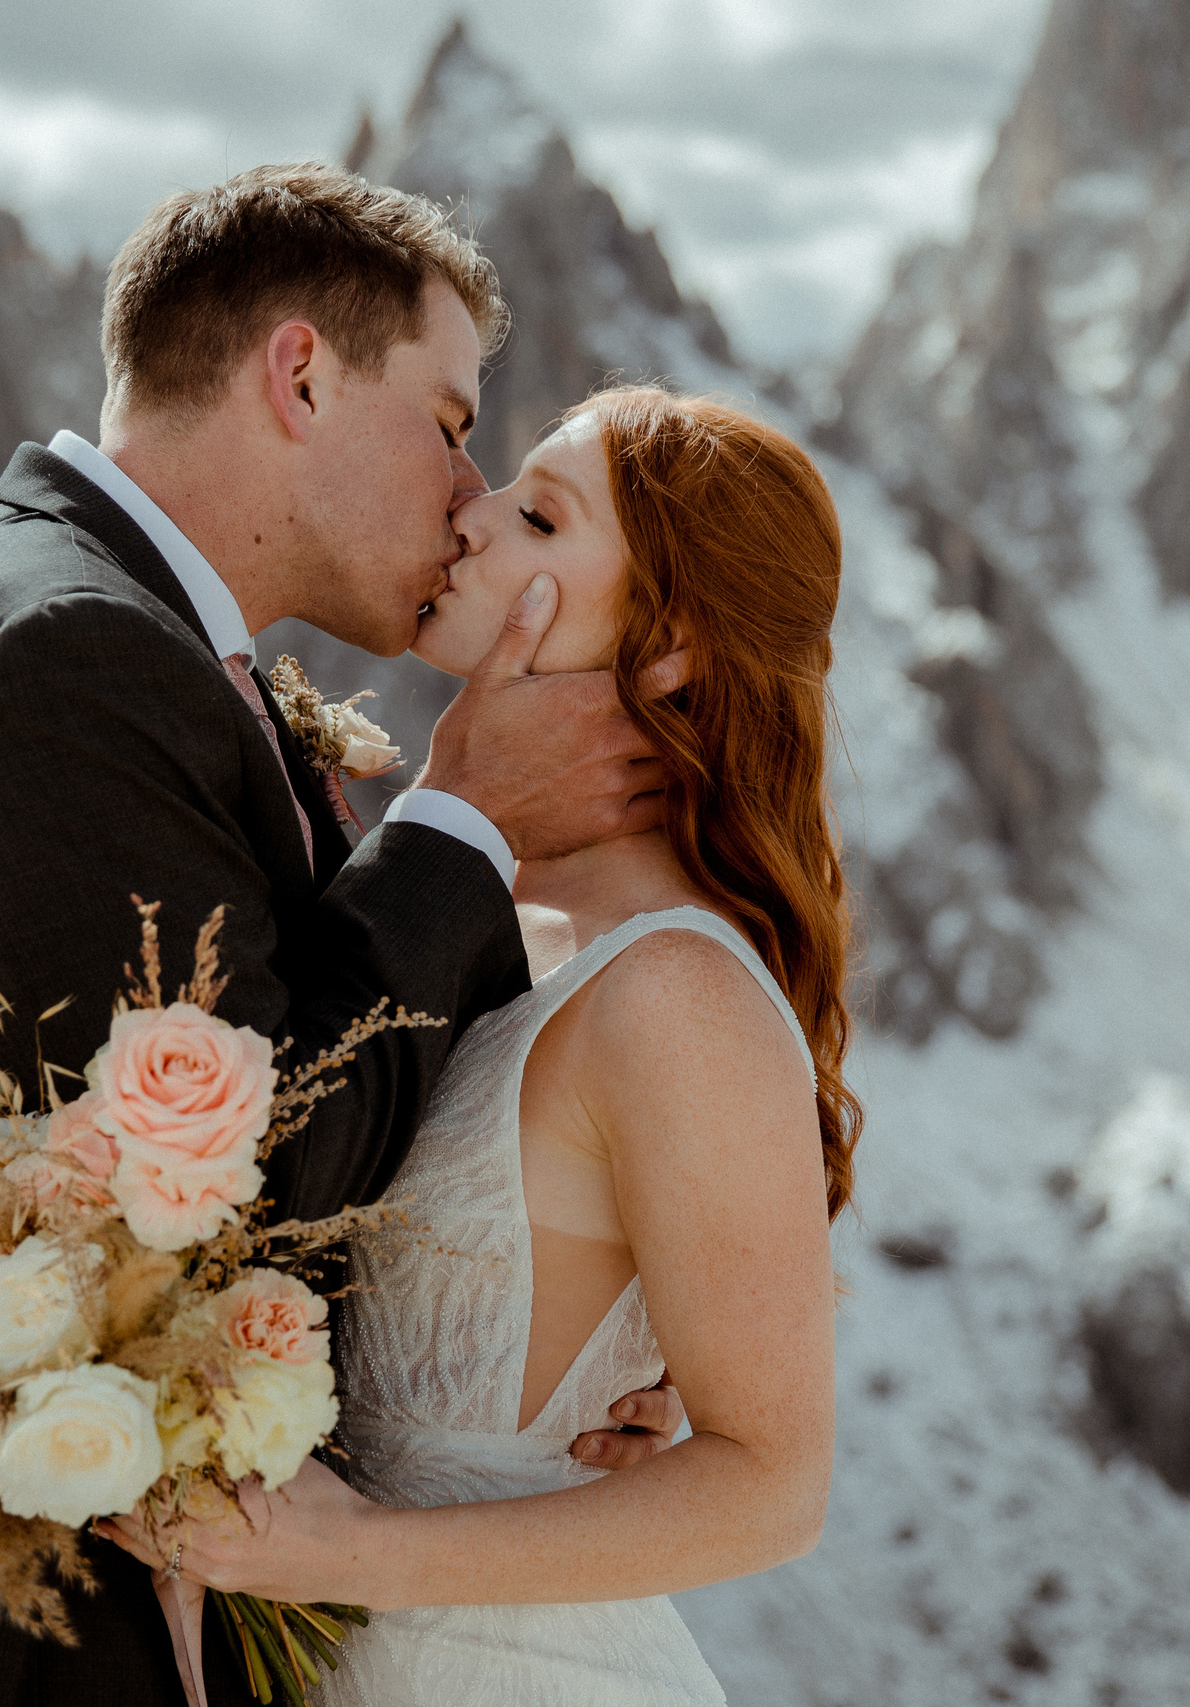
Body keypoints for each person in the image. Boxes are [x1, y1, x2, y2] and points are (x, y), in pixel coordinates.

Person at [0, 167, 695, 1707]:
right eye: (448, 422)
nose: (468, 490)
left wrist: (562, 1344)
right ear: (299, 374)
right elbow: (245, 1176)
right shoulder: (59, 653)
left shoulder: (115, 636)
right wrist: (465, 813)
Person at [97, 387, 855, 1705]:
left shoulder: (676, 989)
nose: (472, 512)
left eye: (538, 515)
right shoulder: (493, 915)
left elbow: (773, 1486)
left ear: (668, 646)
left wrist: (363, 1552)